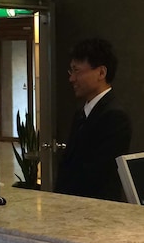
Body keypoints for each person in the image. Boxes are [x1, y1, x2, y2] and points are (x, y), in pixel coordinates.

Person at [55, 38, 132, 201]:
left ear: (101, 73)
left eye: (77, 71)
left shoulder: (115, 117)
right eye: (71, 71)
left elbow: (97, 174)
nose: (72, 79)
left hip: (96, 208)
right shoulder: (81, 113)